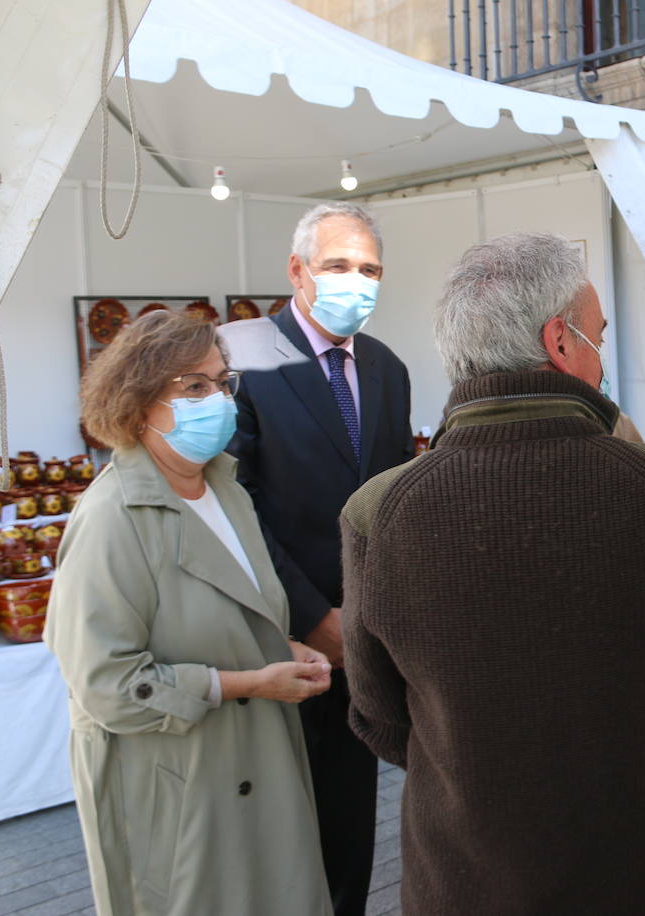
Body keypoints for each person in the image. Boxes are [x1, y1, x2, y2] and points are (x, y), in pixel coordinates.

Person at [339, 232, 645, 915]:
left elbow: (377, 716)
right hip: (640, 867)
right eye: (599, 335)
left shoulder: (378, 513)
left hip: (462, 881)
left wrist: (475, 768)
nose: (602, 355)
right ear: (562, 342)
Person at [45, 311, 333, 916]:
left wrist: (282, 644)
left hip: (256, 766)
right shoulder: (112, 519)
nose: (218, 399)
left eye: (222, 382)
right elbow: (108, 686)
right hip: (178, 793)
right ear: (139, 403)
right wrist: (249, 682)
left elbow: (229, 606)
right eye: (194, 386)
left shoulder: (225, 488)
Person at [218, 201, 413, 915]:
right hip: (273, 637)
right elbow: (232, 505)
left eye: (369, 270)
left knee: (346, 829)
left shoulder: (388, 368)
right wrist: (310, 613)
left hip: (359, 640)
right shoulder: (237, 356)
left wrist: (368, 614)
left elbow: (391, 498)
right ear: (298, 271)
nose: (354, 282)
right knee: (271, 834)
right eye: (337, 266)